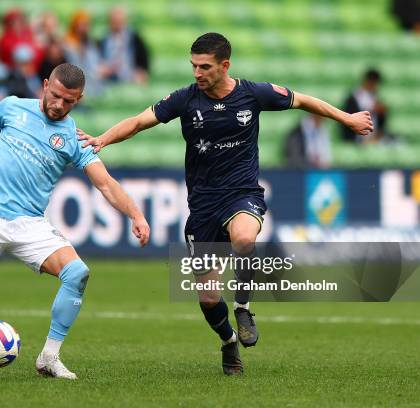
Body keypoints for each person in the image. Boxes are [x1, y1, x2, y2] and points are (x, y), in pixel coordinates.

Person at [78, 33, 373, 375]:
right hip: (203, 204)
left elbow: (303, 100)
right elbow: (139, 122)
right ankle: (229, 341)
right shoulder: (185, 99)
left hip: (241, 192)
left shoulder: (253, 93)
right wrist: (102, 139)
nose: (197, 73)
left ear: (224, 66)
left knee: (245, 238)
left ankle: (244, 306)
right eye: (193, 66)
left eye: (205, 67)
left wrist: (347, 118)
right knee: (207, 297)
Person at [0, 63, 150, 380]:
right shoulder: (11, 107)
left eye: (69, 101)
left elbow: (104, 183)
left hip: (31, 224)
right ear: (46, 85)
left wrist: (136, 215)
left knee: (77, 273)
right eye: (56, 95)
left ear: (79, 99)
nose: (59, 105)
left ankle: (49, 357)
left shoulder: (73, 138)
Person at [341, 68, 394, 143]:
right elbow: (348, 116)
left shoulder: (374, 96)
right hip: (356, 137)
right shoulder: (354, 96)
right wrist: (372, 109)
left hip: (374, 136)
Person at [99, 6, 150, 84]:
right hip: (108, 79)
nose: (117, 24)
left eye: (119, 21)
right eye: (114, 21)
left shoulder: (135, 39)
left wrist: (142, 73)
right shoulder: (104, 40)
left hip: (130, 79)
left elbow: (144, 62)